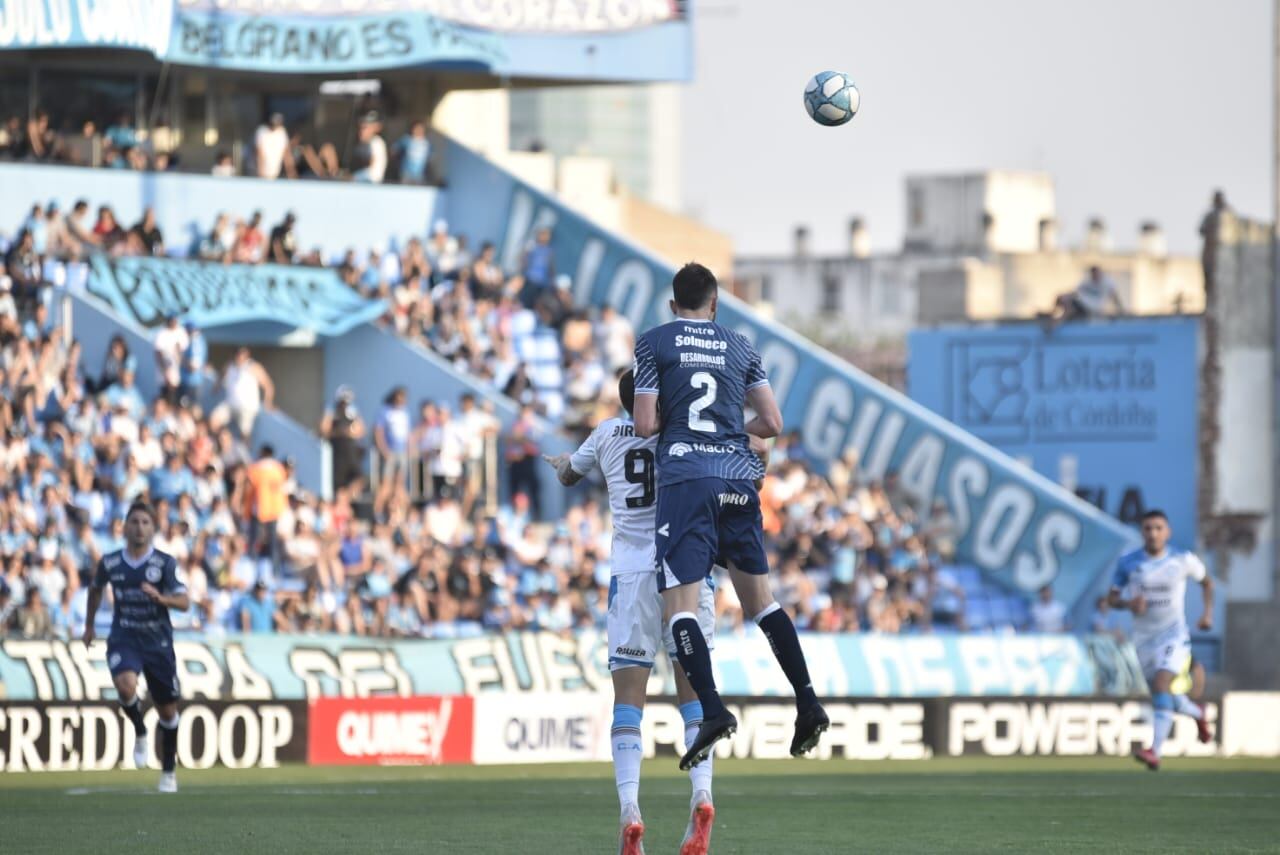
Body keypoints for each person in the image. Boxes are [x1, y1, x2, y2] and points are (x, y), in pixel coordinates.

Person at [632, 261, 828, 770]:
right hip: (739, 479)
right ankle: (807, 701)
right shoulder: (741, 346)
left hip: (687, 479)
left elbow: (646, 422)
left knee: (678, 604)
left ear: (674, 306)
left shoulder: (655, 342)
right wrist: (727, 429)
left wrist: (688, 428)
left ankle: (713, 708)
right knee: (761, 602)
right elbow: (773, 423)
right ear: (715, 304)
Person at [543, 369, 719, 855]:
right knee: (696, 696)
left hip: (633, 574)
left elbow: (568, 474)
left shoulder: (605, 434)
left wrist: (561, 463)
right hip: (685, 570)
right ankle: (701, 796)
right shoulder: (684, 436)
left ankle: (630, 810)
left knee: (629, 701)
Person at [82, 501, 190, 793]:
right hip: (125, 635)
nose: (140, 527)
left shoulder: (164, 564)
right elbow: (95, 590)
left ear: (153, 528)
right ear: (125, 527)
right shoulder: (111, 562)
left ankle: (168, 770)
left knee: (168, 711)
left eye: (145, 522)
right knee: (126, 687)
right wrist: (89, 625)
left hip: (158, 641)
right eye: (135, 522)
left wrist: (162, 598)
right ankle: (141, 730)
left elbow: (185, 601)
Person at [1110, 509, 1215, 770]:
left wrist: (1207, 614)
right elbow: (1111, 598)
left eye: (1158, 528)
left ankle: (1154, 751)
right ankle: (1198, 713)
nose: (1153, 533)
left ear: (1167, 532)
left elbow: (1207, 583)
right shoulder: (1128, 562)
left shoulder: (1182, 559)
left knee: (1161, 682)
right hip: (1143, 638)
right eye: (1148, 528)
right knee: (1164, 694)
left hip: (1174, 635)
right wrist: (1128, 603)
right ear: (1142, 532)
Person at [245, 445, 288, 581]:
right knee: (273, 543)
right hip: (274, 511)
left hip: (259, 509)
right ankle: (274, 573)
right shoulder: (279, 469)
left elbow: (249, 489)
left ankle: (251, 572)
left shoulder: (255, 469)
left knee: (254, 542)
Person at [1051, 265, 1123, 323]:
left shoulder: (1108, 282)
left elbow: (1115, 297)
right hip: (1084, 305)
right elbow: (1075, 291)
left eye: (1097, 274)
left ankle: (1057, 320)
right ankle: (1054, 314)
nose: (1095, 277)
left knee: (1068, 304)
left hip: (1095, 309)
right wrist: (1065, 295)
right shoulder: (1087, 281)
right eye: (1094, 275)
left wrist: (1120, 311)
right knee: (1062, 298)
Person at [153, 314, 189, 405]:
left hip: (179, 375)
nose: (173, 322)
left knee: (180, 401)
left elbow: (183, 352)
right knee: (167, 400)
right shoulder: (162, 333)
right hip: (166, 375)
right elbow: (159, 354)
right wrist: (166, 373)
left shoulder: (180, 331)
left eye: (174, 320)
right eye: (171, 320)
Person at [254, 113, 292, 180]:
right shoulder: (261, 132)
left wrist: (292, 174)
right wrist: (260, 172)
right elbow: (259, 153)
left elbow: (286, 154)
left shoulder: (282, 132)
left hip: (274, 172)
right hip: (260, 173)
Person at [353, 112, 388, 184]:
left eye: (364, 128)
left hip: (370, 183)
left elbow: (372, 169)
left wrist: (352, 177)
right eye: (360, 128)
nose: (361, 131)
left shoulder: (376, 143)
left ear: (376, 128)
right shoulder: (362, 145)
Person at [393, 120, 431, 184]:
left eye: (420, 129)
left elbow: (430, 156)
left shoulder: (426, 143)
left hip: (419, 174)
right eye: (416, 128)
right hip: (406, 172)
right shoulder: (407, 139)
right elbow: (394, 148)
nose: (418, 131)